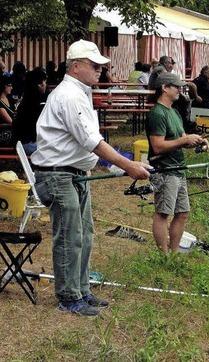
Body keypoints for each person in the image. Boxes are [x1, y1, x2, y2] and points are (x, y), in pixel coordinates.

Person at [32, 39, 150, 317]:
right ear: (75, 66)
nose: (100, 70)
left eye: (101, 66)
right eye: (94, 65)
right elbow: (92, 141)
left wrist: (115, 166)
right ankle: (68, 296)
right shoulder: (69, 95)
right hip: (58, 175)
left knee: (84, 234)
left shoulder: (79, 92)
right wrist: (128, 165)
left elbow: (88, 144)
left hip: (74, 174)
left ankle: (81, 289)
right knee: (69, 237)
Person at [147, 72, 208, 252]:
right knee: (163, 213)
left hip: (178, 169)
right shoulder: (157, 114)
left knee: (182, 213)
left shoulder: (174, 112)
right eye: (177, 87)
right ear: (165, 88)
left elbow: (182, 140)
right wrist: (183, 141)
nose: (180, 90)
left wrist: (198, 141)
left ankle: (174, 253)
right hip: (164, 170)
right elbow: (157, 146)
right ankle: (163, 256)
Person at [12, 67, 47, 154]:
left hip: (20, 144)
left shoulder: (26, 100)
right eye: (45, 81)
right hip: (29, 144)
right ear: (40, 84)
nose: (46, 84)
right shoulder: (38, 102)